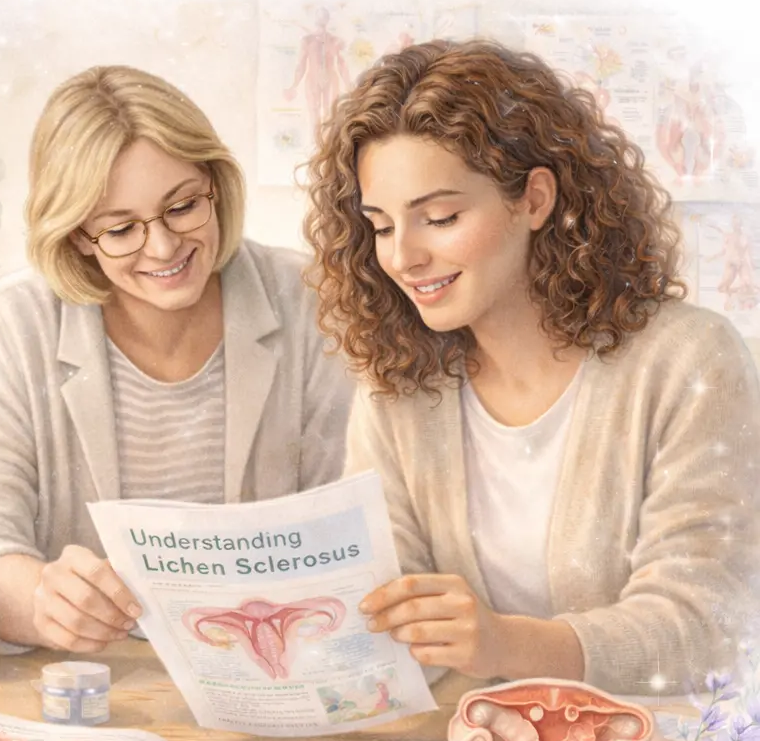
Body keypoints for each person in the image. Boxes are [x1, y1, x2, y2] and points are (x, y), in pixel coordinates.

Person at [301, 39, 760, 697]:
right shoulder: (399, 385)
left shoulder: (690, 361)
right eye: (379, 226)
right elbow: (381, 598)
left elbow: (703, 624)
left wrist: (501, 644)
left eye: (440, 217)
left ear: (536, 199)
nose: (403, 257)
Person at [0, 65, 354, 654]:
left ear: (216, 184)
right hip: (88, 685)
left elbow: (361, 513)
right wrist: (40, 599)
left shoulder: (312, 300)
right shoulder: (13, 323)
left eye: (184, 206)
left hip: (287, 664)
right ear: (77, 238)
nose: (164, 247)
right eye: (120, 229)